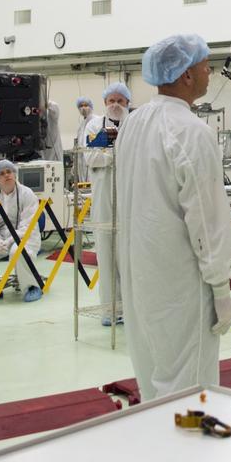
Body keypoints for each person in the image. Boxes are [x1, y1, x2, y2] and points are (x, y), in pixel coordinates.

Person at [115, 34, 231, 399]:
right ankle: (189, 456)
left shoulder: (134, 124)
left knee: (152, 381)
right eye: (204, 65)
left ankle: (160, 453)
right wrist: (221, 288)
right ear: (185, 75)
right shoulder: (191, 131)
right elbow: (207, 219)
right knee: (190, 391)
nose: (209, 72)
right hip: (182, 283)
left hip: (140, 276)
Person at [86, 83, 130, 325]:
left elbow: (139, 157)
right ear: (104, 103)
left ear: (127, 104)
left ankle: (130, 309)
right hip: (104, 197)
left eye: (120, 101)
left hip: (128, 198)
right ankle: (110, 311)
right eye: (111, 100)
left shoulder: (133, 125)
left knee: (129, 256)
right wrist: (117, 154)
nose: (115, 104)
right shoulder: (95, 125)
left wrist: (110, 153)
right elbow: (91, 156)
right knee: (106, 253)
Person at [0, 159, 43, 303]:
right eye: (2, 173)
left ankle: (31, 287)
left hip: (26, 237)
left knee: (17, 250)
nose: (7, 175)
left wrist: (10, 240)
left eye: (9, 172)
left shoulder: (27, 193)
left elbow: (28, 224)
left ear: (14, 174)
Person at [72, 96, 95, 183]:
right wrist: (75, 164)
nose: (83, 108)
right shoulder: (81, 126)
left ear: (91, 106)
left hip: (91, 161)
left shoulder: (95, 121)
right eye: (81, 106)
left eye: (86, 105)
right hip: (81, 162)